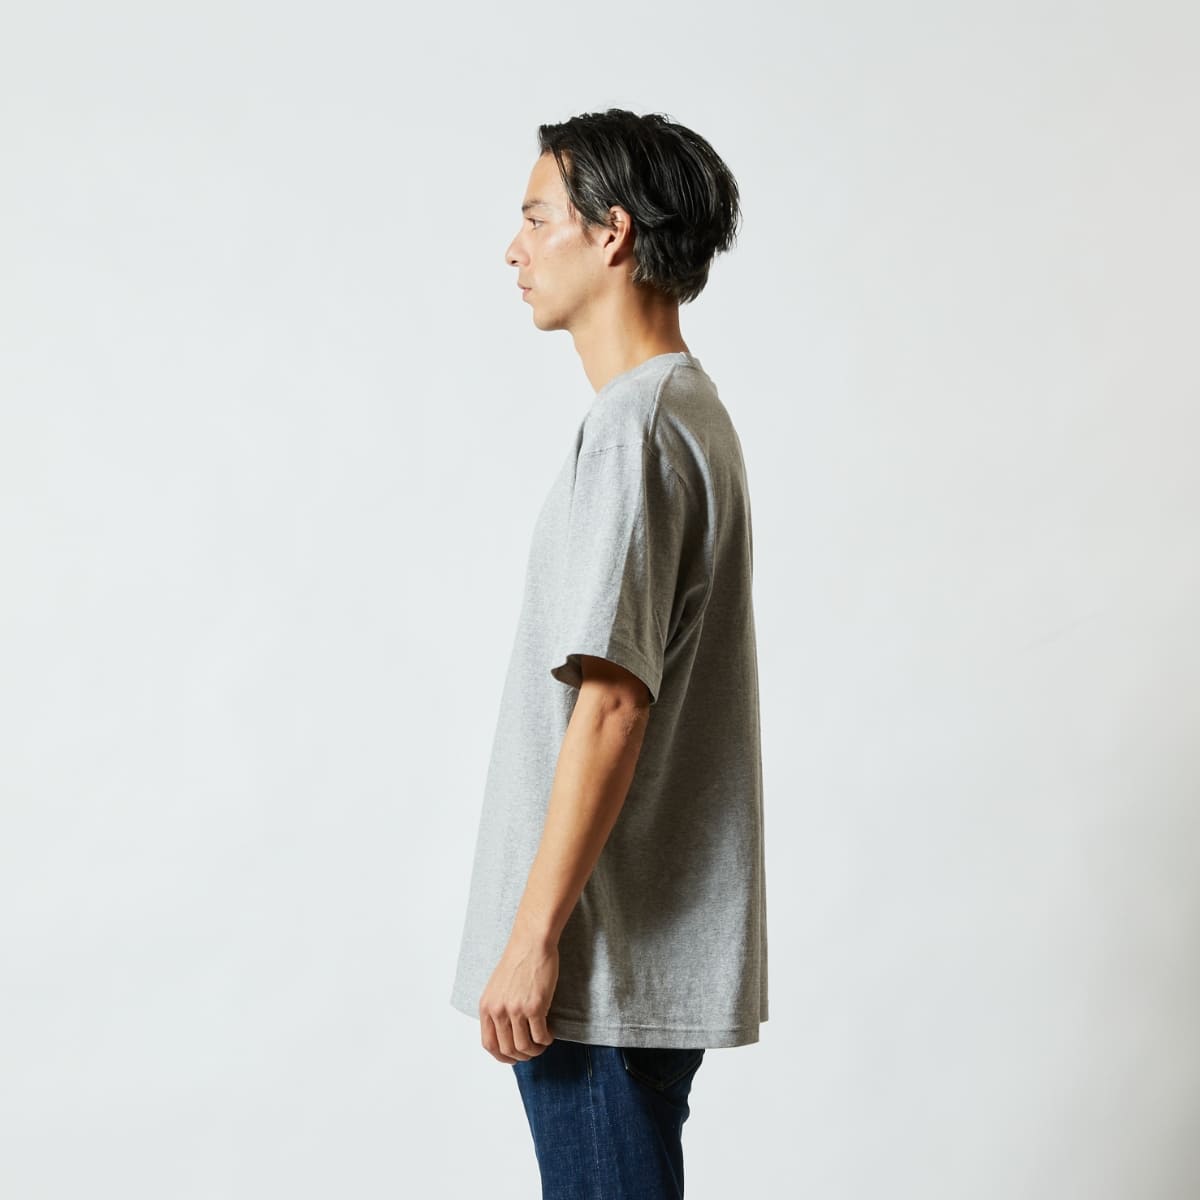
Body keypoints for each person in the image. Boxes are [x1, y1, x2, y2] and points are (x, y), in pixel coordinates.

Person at [448, 107, 767, 1199]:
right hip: (627, 955)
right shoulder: (688, 412)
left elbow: (616, 702)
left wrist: (535, 937)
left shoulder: (637, 427)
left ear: (613, 232)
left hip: (599, 959)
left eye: (538, 218)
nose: (515, 248)